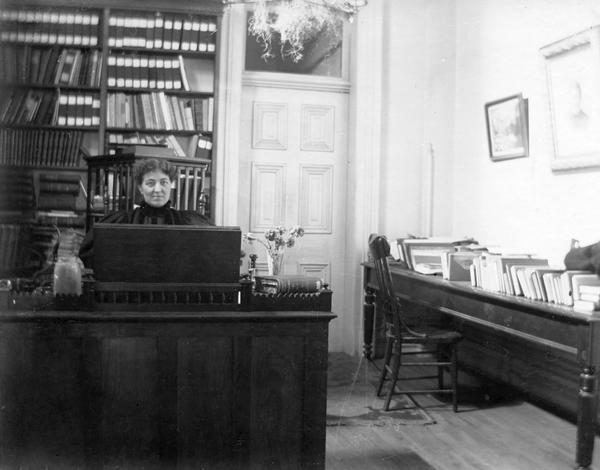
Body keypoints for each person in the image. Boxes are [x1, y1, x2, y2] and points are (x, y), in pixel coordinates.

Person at [78, 158, 211, 267]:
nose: (158, 189)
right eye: (150, 183)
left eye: (164, 182)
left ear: (171, 185)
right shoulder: (120, 221)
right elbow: (91, 258)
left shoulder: (190, 222)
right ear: (141, 188)